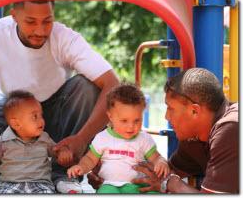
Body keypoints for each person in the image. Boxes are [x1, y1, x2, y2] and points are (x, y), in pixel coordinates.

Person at [0, 0, 119, 193]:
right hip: (14, 116)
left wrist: (82, 139)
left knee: (87, 87)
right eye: (31, 22)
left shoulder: (65, 37)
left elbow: (112, 84)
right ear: (14, 16)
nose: (40, 31)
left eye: (47, 21)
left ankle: (65, 174)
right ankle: (12, 176)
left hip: (58, 114)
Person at [89, 68, 238, 193]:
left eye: (171, 108)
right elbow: (166, 173)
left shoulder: (231, 129)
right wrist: (114, 178)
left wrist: (173, 185)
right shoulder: (194, 137)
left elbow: (171, 182)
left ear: (194, 111)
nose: (166, 116)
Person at [67, 83, 170, 193]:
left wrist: (161, 162)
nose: (131, 126)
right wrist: (81, 167)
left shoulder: (143, 138)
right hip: (109, 185)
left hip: (136, 185)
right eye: (124, 121)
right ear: (110, 116)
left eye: (137, 120)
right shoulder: (102, 138)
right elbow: (90, 159)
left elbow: (156, 157)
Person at [0, 90, 74, 193]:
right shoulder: (3, 140)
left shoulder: (44, 138)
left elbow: (56, 150)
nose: (42, 120)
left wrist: (63, 152)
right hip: (11, 184)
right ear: (16, 124)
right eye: (35, 116)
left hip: (40, 184)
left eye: (41, 115)